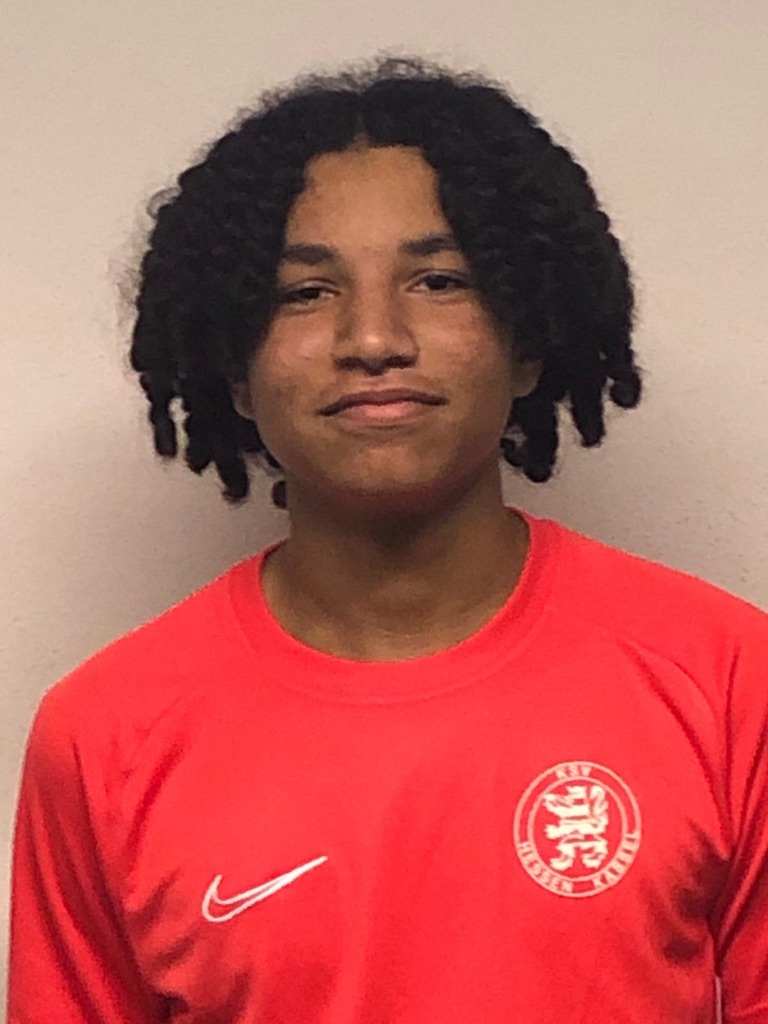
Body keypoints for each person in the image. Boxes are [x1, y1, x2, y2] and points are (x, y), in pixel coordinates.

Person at [7, 56, 767, 1024]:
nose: (373, 338)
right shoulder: (104, 735)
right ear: (234, 369)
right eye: (305, 292)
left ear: (530, 342)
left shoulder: (730, 678)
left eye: (439, 280)